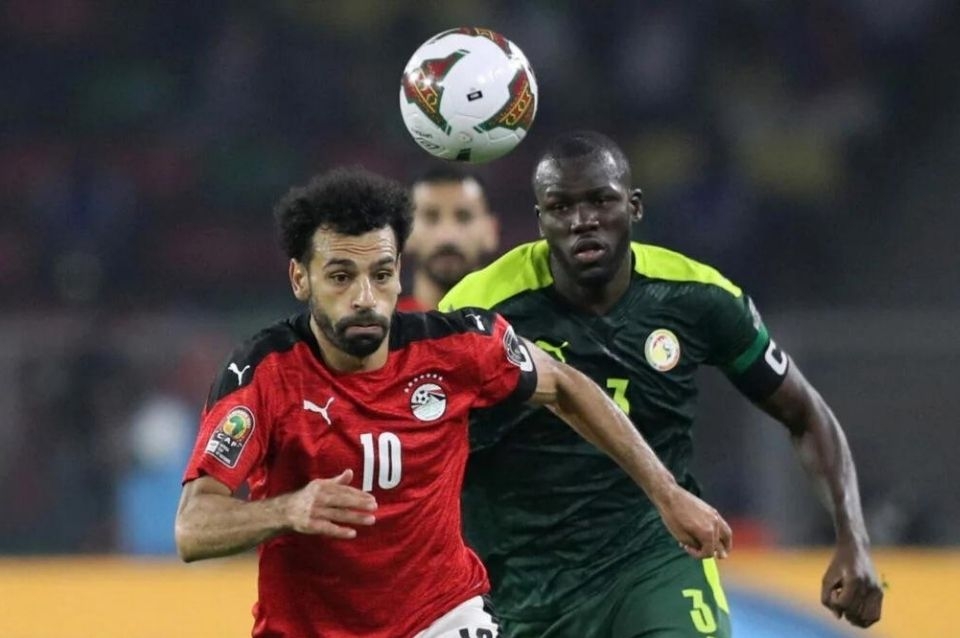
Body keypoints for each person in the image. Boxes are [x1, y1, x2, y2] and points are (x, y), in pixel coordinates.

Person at [175, 167, 733, 638]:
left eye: (381, 274)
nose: (365, 298)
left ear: (400, 273)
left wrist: (667, 493)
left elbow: (565, 384)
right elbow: (193, 527)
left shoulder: (457, 346)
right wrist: (288, 510)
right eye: (341, 277)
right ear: (301, 279)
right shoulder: (263, 373)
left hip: (441, 618)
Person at [441, 131, 884, 637]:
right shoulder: (480, 310)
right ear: (540, 220)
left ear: (634, 207)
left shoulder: (696, 296)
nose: (583, 220)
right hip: (523, 585)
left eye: (600, 201)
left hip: (653, 557)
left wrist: (853, 540)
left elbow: (805, 413)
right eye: (561, 207)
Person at [398, 165, 499, 311]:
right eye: (431, 217)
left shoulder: (517, 320)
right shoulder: (383, 321)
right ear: (406, 230)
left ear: (491, 230)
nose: (447, 235)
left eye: (464, 217)